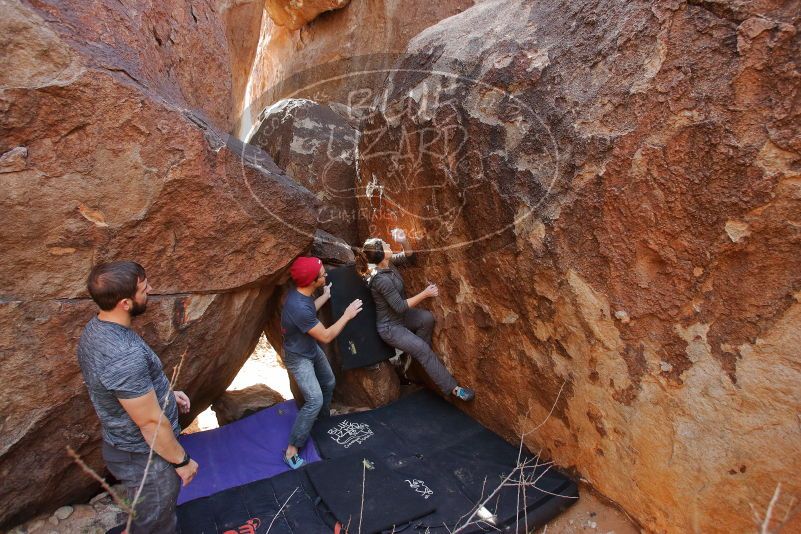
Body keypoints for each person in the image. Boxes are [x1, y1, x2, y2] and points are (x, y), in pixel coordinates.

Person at [77, 261, 198, 533]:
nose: (151, 290)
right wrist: (183, 461)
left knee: (147, 513)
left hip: (126, 447)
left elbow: (126, 390)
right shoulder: (123, 356)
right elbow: (151, 425)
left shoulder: (94, 330)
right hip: (145, 457)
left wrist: (166, 395)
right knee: (157, 523)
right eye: (143, 289)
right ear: (125, 303)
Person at [356, 231, 475, 401]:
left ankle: (418, 361)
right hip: (390, 327)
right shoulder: (380, 279)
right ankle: (456, 390)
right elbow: (399, 306)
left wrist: (404, 241)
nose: (388, 244)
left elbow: (409, 256)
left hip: (400, 318)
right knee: (423, 350)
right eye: (385, 244)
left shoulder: (387, 264)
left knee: (427, 319)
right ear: (382, 255)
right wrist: (425, 294)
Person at [281, 256, 363, 469]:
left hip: (309, 348)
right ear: (311, 282)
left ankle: (323, 421)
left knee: (328, 383)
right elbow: (326, 336)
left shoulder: (302, 295)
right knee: (314, 399)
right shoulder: (296, 306)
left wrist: (325, 296)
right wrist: (347, 315)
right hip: (298, 356)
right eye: (322, 275)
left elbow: (309, 310)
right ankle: (291, 449)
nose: (325, 274)